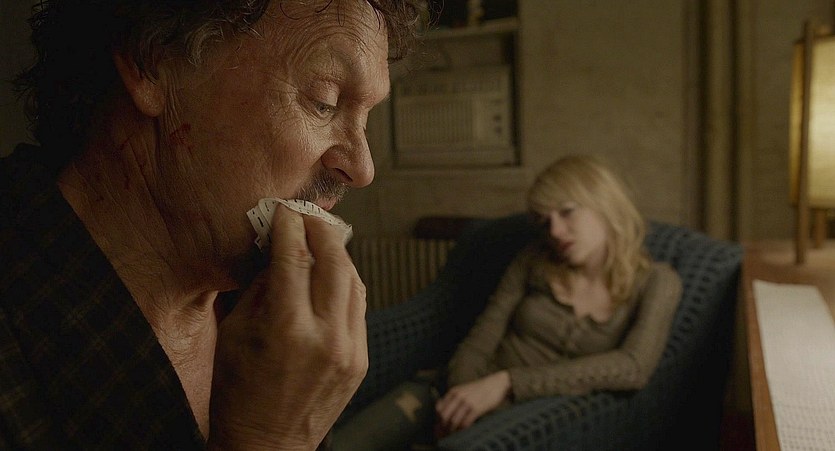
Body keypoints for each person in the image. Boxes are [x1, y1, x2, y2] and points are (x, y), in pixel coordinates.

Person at [0, 0, 424, 449]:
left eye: (365, 120)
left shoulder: (272, 301)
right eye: (325, 102)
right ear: (153, 60)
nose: (362, 169)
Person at [434, 154, 683, 436]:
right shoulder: (532, 260)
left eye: (567, 211)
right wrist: (461, 398)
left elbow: (633, 367)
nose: (555, 231)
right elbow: (480, 340)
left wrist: (507, 383)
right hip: (462, 397)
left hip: (537, 424)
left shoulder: (659, 282)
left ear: (604, 203)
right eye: (545, 221)